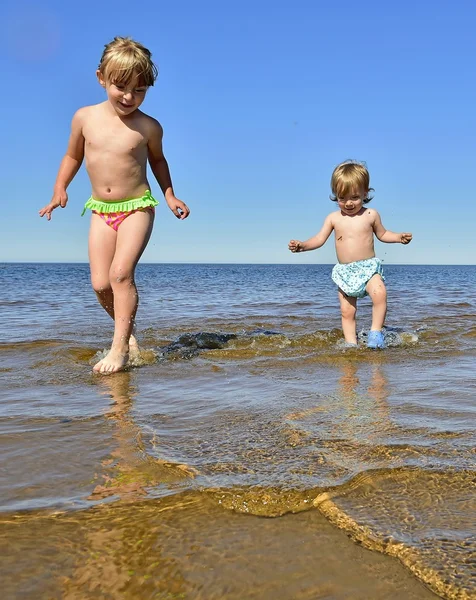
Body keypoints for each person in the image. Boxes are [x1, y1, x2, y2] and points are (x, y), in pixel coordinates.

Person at [39, 36, 190, 373]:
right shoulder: (84, 118)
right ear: (101, 79)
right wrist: (59, 189)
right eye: (121, 87)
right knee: (100, 284)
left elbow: (158, 161)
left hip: (138, 206)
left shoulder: (149, 127)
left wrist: (169, 195)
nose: (128, 97)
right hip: (100, 210)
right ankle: (129, 334)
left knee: (121, 275)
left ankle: (118, 349)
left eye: (139, 90)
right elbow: (72, 155)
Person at [288, 160, 412, 348]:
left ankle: (375, 333)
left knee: (380, 294)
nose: (348, 203)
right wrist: (302, 245)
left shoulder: (370, 214)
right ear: (335, 196)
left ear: (365, 193)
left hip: (368, 268)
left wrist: (398, 237)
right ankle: (351, 344)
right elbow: (319, 239)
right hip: (345, 272)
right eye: (342, 198)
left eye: (354, 197)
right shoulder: (333, 218)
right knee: (347, 311)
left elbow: (383, 234)